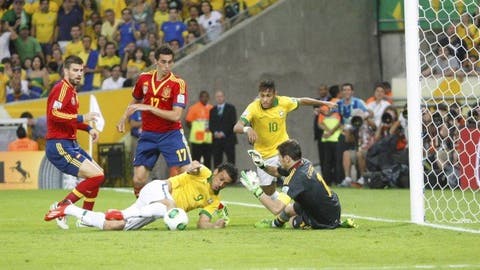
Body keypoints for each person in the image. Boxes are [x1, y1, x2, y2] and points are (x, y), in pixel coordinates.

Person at [45, 161, 238, 231]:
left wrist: (215, 225)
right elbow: (193, 167)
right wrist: (192, 167)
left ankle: (68, 209)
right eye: (220, 178)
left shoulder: (215, 201)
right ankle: (121, 214)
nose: (220, 183)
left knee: (115, 226)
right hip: (159, 190)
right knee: (169, 206)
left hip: (154, 210)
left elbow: (202, 223)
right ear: (216, 171)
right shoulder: (204, 172)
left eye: (225, 183)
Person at [233, 79, 336, 198]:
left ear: (275, 94)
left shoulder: (284, 102)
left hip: (283, 149)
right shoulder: (253, 107)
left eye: (268, 95)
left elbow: (302, 101)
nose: (265, 99)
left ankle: (321, 200)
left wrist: (325, 103)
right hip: (264, 154)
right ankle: (286, 211)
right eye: (262, 95)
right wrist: (247, 129)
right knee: (268, 192)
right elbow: (237, 127)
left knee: (299, 177)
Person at [116, 45, 190, 198]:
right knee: (138, 179)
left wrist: (149, 107)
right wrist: (123, 117)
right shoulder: (144, 78)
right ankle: (141, 207)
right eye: (163, 62)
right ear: (156, 61)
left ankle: (208, 202)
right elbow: (135, 100)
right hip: (148, 135)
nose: (167, 66)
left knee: (187, 172)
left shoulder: (178, 83)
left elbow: (176, 115)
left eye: (170, 62)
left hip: (171, 134)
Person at [239, 139, 356, 229]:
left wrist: (255, 189)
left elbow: (276, 208)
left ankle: (332, 223)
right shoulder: (303, 163)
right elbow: (275, 171)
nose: (278, 160)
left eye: (279, 157)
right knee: (289, 209)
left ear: (287, 159)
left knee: (292, 221)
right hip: (332, 206)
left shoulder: (295, 179)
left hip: (323, 219)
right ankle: (275, 224)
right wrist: (262, 165)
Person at [45, 55, 104, 230]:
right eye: (75, 70)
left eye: (81, 70)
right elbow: (53, 114)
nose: (79, 74)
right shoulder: (61, 89)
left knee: (98, 175)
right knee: (97, 176)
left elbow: (69, 120)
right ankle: (63, 206)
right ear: (66, 71)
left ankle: (85, 218)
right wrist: (82, 117)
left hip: (70, 143)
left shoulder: (72, 91)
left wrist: (87, 128)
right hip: (59, 144)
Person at [209, 90, 238, 168]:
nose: (219, 98)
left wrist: (223, 133)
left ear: (224, 97)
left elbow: (233, 122)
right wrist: (215, 133)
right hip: (216, 140)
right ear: (215, 98)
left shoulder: (231, 108)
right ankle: (217, 178)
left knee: (231, 161)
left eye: (221, 96)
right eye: (217, 97)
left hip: (228, 139)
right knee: (217, 161)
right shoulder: (212, 110)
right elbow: (211, 124)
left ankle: (231, 178)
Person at [185, 90, 213, 169]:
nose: (204, 98)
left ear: (208, 98)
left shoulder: (212, 108)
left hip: (208, 139)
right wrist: (196, 129)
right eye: (203, 97)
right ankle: (196, 177)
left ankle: (207, 177)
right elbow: (188, 122)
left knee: (208, 159)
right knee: (196, 159)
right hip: (197, 139)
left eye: (206, 97)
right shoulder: (194, 108)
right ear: (200, 98)